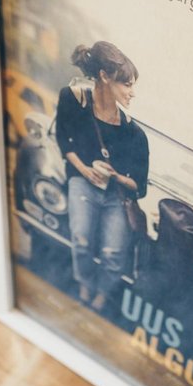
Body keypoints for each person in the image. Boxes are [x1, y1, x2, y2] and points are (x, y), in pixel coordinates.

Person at [55, 41, 149, 311]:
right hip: (81, 181)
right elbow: (64, 140)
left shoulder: (134, 133)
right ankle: (85, 286)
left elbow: (139, 186)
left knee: (114, 253)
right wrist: (85, 170)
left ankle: (100, 297)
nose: (132, 93)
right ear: (105, 77)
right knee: (81, 238)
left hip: (116, 196)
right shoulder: (72, 98)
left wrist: (115, 176)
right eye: (127, 84)